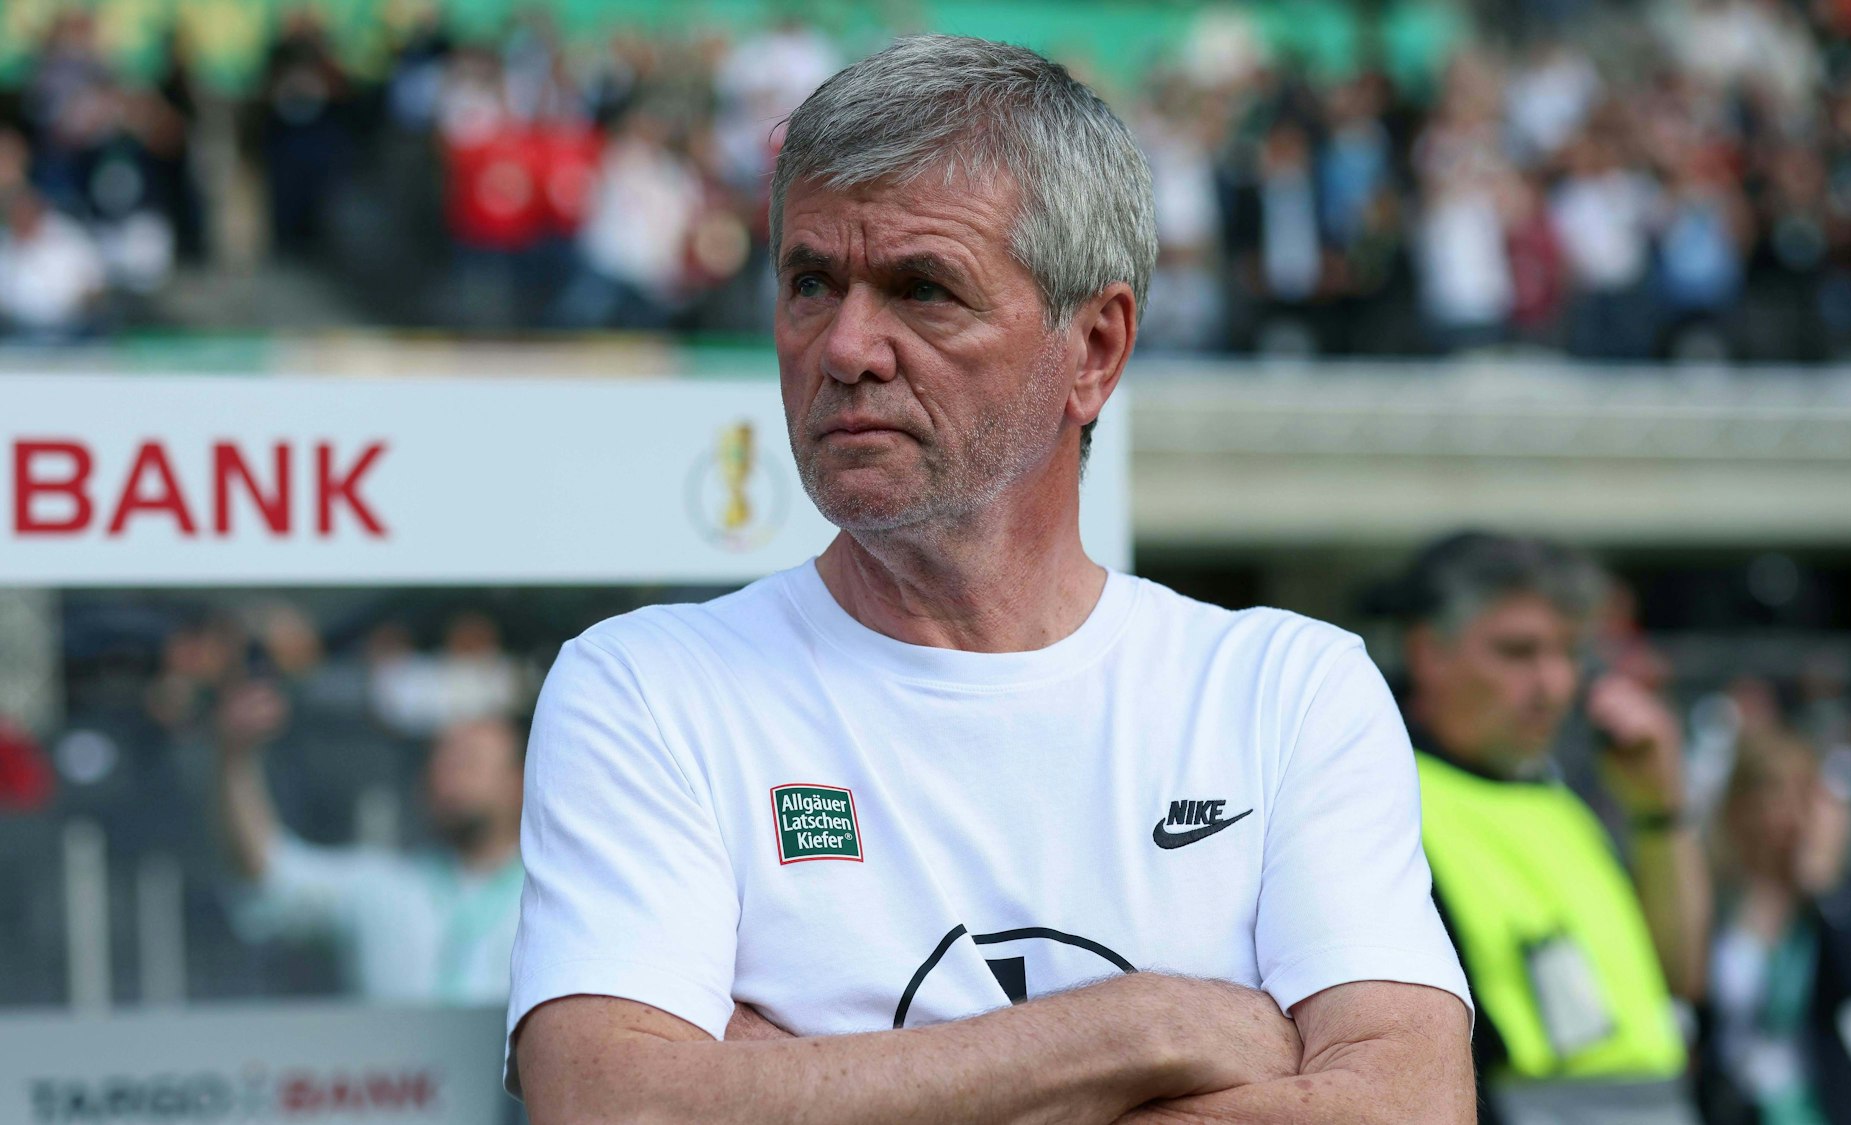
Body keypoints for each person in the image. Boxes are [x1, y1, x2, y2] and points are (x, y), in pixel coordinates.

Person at [509, 35, 1475, 1124]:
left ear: (1095, 349)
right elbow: (620, 1109)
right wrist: (1146, 1031)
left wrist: (788, 1080)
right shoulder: (645, 689)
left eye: (922, 290)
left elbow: (1407, 1106)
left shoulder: (1286, 689)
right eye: (810, 282)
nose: (845, 347)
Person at [1371, 531, 1711, 1124]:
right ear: (1429, 653)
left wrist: (1660, 813)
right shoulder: (1382, 804)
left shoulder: (1564, 801)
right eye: (1518, 652)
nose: (1554, 685)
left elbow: (1680, 979)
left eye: (1569, 653)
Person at [213, 678, 524, 1004]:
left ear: (519, 782)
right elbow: (266, 870)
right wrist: (234, 758)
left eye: (467, 761)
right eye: (438, 760)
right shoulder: (384, 884)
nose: (446, 773)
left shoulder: (555, 893)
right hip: (398, 1057)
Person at [1701, 730, 1851, 1125]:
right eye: (1768, 795)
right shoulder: (1714, 899)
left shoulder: (1843, 896)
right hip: (1734, 1107)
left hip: (1821, 1106)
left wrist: (1821, 878)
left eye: (1796, 796)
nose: (1781, 814)